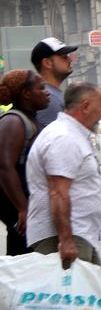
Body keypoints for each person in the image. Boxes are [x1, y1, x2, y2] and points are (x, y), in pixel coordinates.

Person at [25, 82, 101, 310]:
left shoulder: (71, 135)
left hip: (77, 232)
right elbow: (58, 193)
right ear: (85, 107)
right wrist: (66, 240)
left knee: (89, 300)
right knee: (73, 305)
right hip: (66, 234)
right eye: (100, 105)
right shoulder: (63, 139)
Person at [0, 71, 50, 255]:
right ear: (26, 93)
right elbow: (5, 166)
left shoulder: (30, 119)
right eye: (41, 88)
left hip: (29, 203)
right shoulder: (14, 121)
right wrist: (22, 208)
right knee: (22, 259)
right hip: (18, 205)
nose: (47, 92)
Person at [31, 38, 77, 129]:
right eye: (64, 57)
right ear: (47, 63)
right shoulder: (48, 98)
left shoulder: (50, 94)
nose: (70, 59)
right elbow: (57, 140)